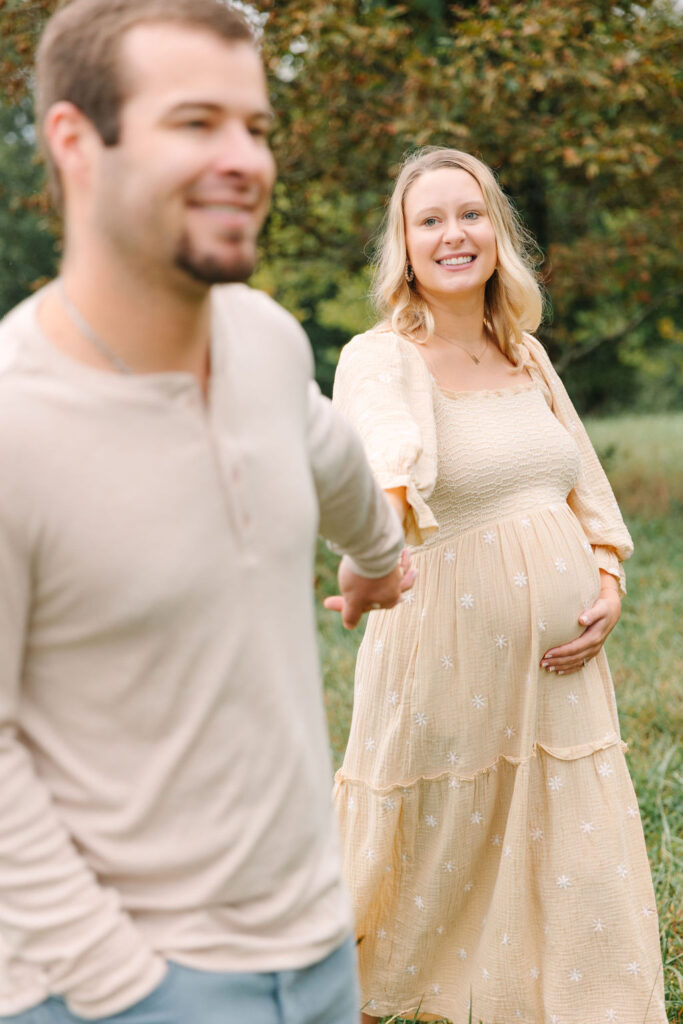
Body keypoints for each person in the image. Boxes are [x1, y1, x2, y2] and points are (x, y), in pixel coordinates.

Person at [0, 2, 415, 1022]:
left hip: (318, 950)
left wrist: (377, 552)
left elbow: (327, 450)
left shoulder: (263, 339)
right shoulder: (15, 420)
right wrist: (121, 984)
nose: (244, 159)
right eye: (195, 123)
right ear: (74, 141)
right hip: (124, 984)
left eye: (256, 128)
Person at [332, 147, 666, 1024]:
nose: (453, 234)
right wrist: (373, 548)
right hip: (442, 657)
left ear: (497, 232)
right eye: (429, 219)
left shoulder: (523, 352)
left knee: (571, 848)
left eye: (469, 214)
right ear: (403, 246)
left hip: (559, 676)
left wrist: (607, 578)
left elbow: (582, 485)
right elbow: (381, 452)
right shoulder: (381, 356)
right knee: (421, 851)